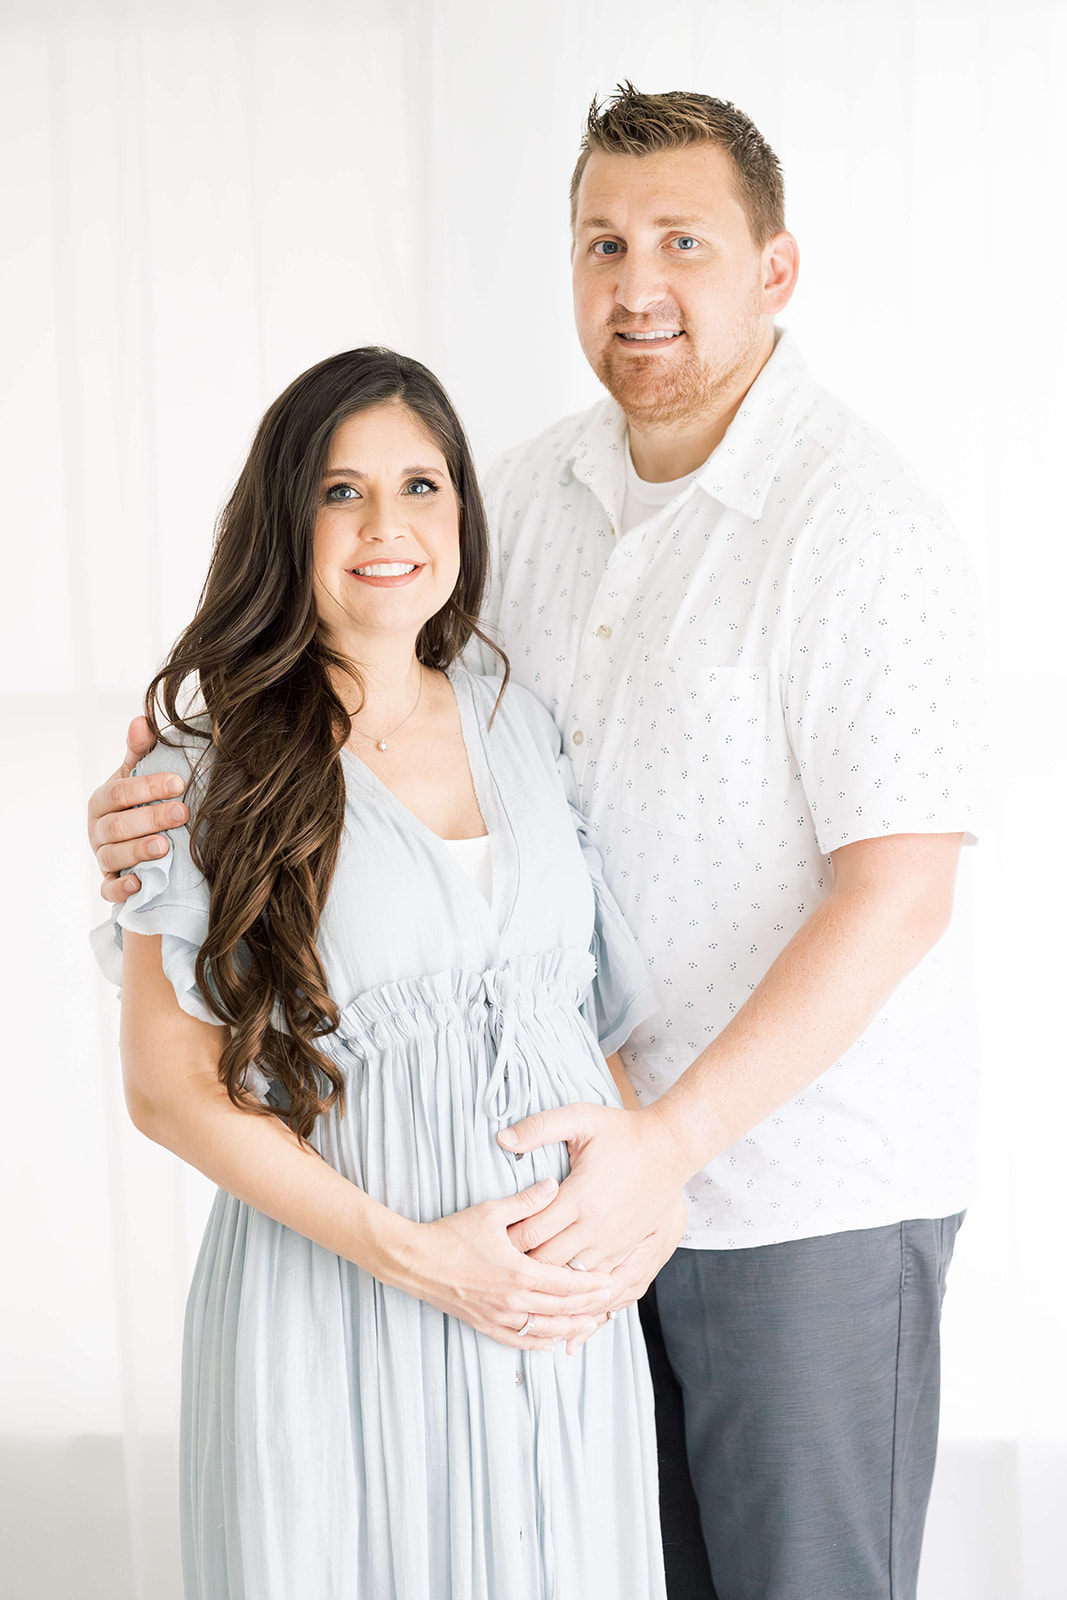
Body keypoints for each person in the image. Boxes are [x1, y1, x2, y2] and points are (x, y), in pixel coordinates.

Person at [90, 88, 985, 1600]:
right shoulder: (532, 499)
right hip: (552, 1237)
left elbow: (897, 896)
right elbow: (357, 726)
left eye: (682, 242)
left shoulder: (858, 526)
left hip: (791, 1204)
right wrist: (152, 797)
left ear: (773, 269)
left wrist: (666, 1148)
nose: (636, 285)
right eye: (600, 243)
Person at [89, 347, 674, 1600]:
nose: (386, 524)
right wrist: (421, 1256)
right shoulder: (203, 760)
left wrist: (639, 1196)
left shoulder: (520, 719)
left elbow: (581, 1012)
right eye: (339, 492)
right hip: (336, 1308)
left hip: (556, 1333)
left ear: (462, 509)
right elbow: (166, 1089)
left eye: (419, 484)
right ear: (282, 522)